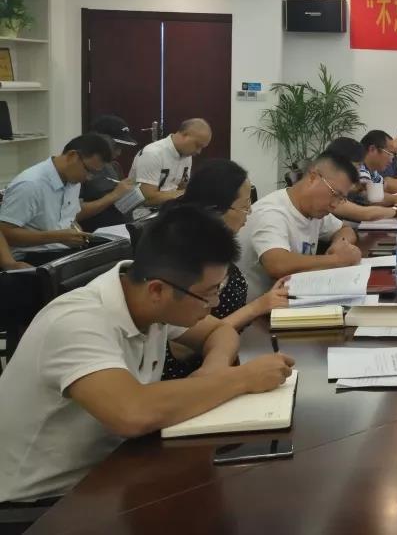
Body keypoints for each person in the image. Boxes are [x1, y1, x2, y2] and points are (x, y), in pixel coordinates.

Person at [0, 205, 294, 503]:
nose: (215, 303)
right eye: (209, 293)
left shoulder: (147, 298)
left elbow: (220, 332)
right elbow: (132, 412)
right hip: (43, 503)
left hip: (113, 471)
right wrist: (241, 379)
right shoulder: (76, 322)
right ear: (157, 291)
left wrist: (212, 371)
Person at [161, 159, 290, 380]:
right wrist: (257, 307)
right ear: (216, 210)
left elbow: (219, 331)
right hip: (188, 376)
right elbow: (182, 348)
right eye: (245, 205)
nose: (249, 212)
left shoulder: (215, 246)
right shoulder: (185, 255)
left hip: (228, 357)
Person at [235, 151, 365, 296]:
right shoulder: (272, 212)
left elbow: (345, 229)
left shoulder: (314, 209)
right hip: (259, 306)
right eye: (335, 194)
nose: (335, 205)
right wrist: (336, 259)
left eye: (341, 198)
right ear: (313, 178)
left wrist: (340, 245)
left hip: (293, 297)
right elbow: (277, 265)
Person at [0, 133, 132, 258]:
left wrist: (76, 233)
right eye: (89, 171)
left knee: (121, 255)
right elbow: (5, 233)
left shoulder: (72, 180)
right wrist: (58, 237)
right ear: (72, 156)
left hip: (63, 251)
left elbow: (69, 218)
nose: (89, 178)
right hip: (33, 255)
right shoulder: (30, 185)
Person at [323, 137, 397, 223]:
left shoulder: (369, 174)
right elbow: (363, 212)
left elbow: (373, 195)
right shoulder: (327, 191)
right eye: (357, 166)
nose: (358, 172)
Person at [129, 118, 212, 218]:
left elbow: (183, 186)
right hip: (143, 215)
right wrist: (187, 193)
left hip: (169, 209)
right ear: (185, 135)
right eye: (197, 145)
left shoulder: (186, 155)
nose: (198, 152)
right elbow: (147, 199)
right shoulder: (152, 153)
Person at [79, 115, 139, 233]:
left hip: (122, 231)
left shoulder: (114, 166)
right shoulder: (78, 169)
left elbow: (120, 202)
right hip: (97, 236)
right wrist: (114, 195)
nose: (119, 152)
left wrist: (133, 195)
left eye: (121, 147)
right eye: (116, 146)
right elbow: (73, 214)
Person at [354, 130, 397, 210]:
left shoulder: (373, 172)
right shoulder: (359, 169)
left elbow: (385, 187)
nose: (391, 160)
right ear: (372, 149)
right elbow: (372, 199)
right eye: (389, 153)